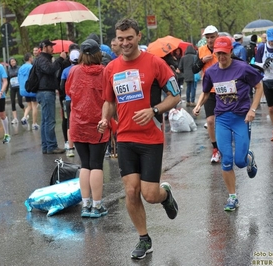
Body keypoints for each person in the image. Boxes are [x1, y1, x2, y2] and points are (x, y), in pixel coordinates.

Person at [98, 18, 180, 260]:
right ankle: (144, 239)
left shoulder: (155, 63)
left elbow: (175, 96)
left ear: (138, 37)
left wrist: (154, 110)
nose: (125, 43)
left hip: (151, 138)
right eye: (120, 39)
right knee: (131, 191)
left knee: (150, 194)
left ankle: (165, 195)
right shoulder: (111, 68)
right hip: (124, 137)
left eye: (129, 38)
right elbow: (109, 101)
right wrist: (105, 119)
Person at [192, 36, 262, 211]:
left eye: (224, 53)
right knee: (227, 160)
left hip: (241, 118)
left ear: (231, 52)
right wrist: (199, 104)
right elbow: (206, 91)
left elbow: (259, 86)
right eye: (218, 53)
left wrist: (252, 110)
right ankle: (232, 197)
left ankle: (248, 157)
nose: (221, 57)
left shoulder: (243, 68)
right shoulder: (211, 72)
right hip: (222, 118)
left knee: (239, 161)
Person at [65, 39, 109, 218]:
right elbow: (109, 97)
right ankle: (97, 206)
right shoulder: (105, 72)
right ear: (99, 53)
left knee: (85, 164)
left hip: (78, 123)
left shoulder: (73, 71)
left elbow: (69, 92)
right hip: (98, 123)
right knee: (96, 164)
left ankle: (85, 205)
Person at [35, 39, 67, 154]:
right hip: (46, 92)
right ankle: (51, 146)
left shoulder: (44, 59)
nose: (53, 48)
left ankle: (46, 146)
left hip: (45, 92)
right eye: (50, 46)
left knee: (45, 120)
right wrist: (60, 59)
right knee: (49, 120)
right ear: (44, 47)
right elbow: (50, 69)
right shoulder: (42, 59)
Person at [197, 25, 221, 163]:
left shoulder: (223, 48)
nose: (210, 40)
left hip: (224, 91)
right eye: (207, 37)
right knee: (210, 121)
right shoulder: (201, 50)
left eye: (212, 37)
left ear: (217, 36)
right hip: (209, 91)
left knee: (225, 121)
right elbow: (194, 68)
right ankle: (215, 149)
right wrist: (201, 62)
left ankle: (226, 145)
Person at [61, 49, 80, 157]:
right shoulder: (83, 69)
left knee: (70, 123)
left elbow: (61, 86)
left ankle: (71, 148)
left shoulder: (65, 71)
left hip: (69, 99)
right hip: (80, 100)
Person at [18, 53, 39, 130]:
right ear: (30, 58)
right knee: (34, 106)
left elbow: (19, 79)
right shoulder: (32, 67)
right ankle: (34, 123)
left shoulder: (20, 68)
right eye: (32, 57)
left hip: (24, 89)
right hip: (31, 89)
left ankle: (24, 117)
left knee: (29, 105)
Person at [7, 57, 24, 124]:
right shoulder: (9, 70)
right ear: (10, 63)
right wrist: (7, 89)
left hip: (19, 87)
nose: (13, 62)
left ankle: (25, 113)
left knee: (20, 102)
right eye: (11, 62)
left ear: (16, 61)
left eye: (14, 61)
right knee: (13, 102)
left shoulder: (19, 68)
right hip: (12, 88)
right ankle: (15, 118)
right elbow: (8, 79)